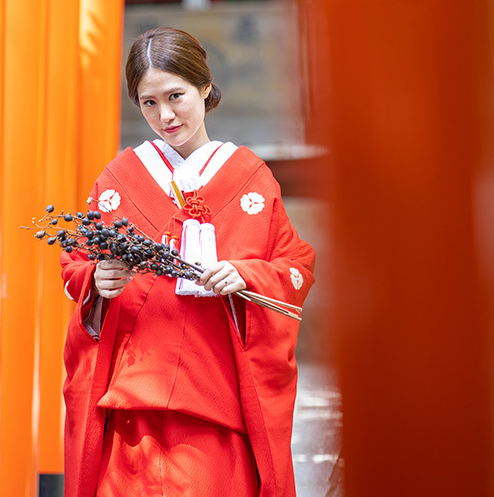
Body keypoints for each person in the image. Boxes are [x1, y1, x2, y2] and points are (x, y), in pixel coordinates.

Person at [60, 26, 315, 497]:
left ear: (204, 86)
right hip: (134, 390)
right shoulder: (119, 178)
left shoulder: (248, 177)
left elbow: (295, 263)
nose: (165, 115)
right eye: (149, 103)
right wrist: (98, 279)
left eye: (176, 95)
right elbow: (76, 263)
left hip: (216, 386)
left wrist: (245, 274)